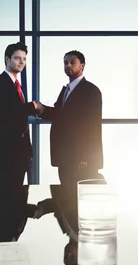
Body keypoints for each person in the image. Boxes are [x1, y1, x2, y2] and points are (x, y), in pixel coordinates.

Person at [38, 50, 103, 185]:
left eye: (72, 62)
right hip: (65, 155)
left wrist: (85, 156)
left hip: (81, 158)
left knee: (78, 197)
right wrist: (41, 109)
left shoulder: (91, 91)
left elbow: (92, 127)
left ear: (82, 66)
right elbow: (58, 114)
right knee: (67, 193)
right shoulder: (66, 91)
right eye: (66, 63)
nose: (68, 65)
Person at [0, 42, 41, 188]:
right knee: (4, 197)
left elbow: (20, 119)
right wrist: (32, 107)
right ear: (7, 59)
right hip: (4, 152)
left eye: (24, 59)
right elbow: (5, 114)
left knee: (17, 197)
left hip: (18, 152)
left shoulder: (18, 86)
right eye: (17, 58)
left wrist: (27, 151)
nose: (22, 62)